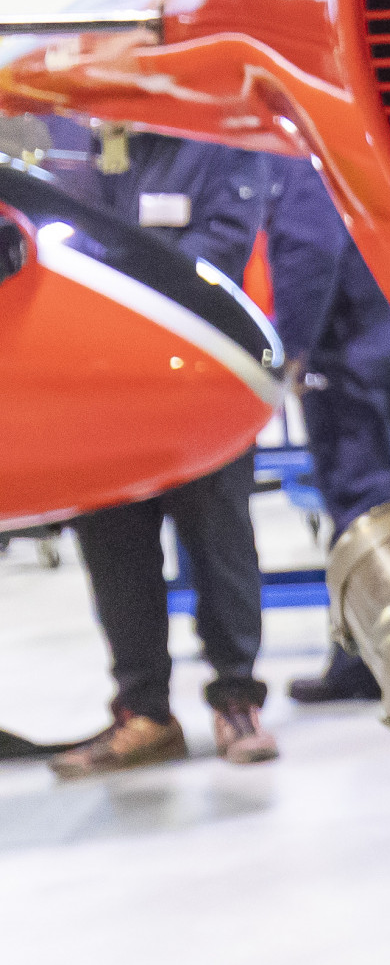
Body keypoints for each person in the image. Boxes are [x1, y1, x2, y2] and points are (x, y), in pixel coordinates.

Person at [43, 120, 282, 777]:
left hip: (197, 385)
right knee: (114, 549)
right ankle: (144, 712)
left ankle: (237, 700)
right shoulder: (71, 140)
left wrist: (108, 288)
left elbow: (219, 253)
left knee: (219, 541)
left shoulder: (213, 137)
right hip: (95, 392)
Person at [260, 161, 390, 705]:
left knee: (361, 512)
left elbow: (309, 248)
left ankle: (372, 664)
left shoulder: (300, 160)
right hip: (389, 335)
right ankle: (386, 655)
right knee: (388, 507)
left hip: (346, 351)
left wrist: (291, 349)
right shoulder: (349, 150)